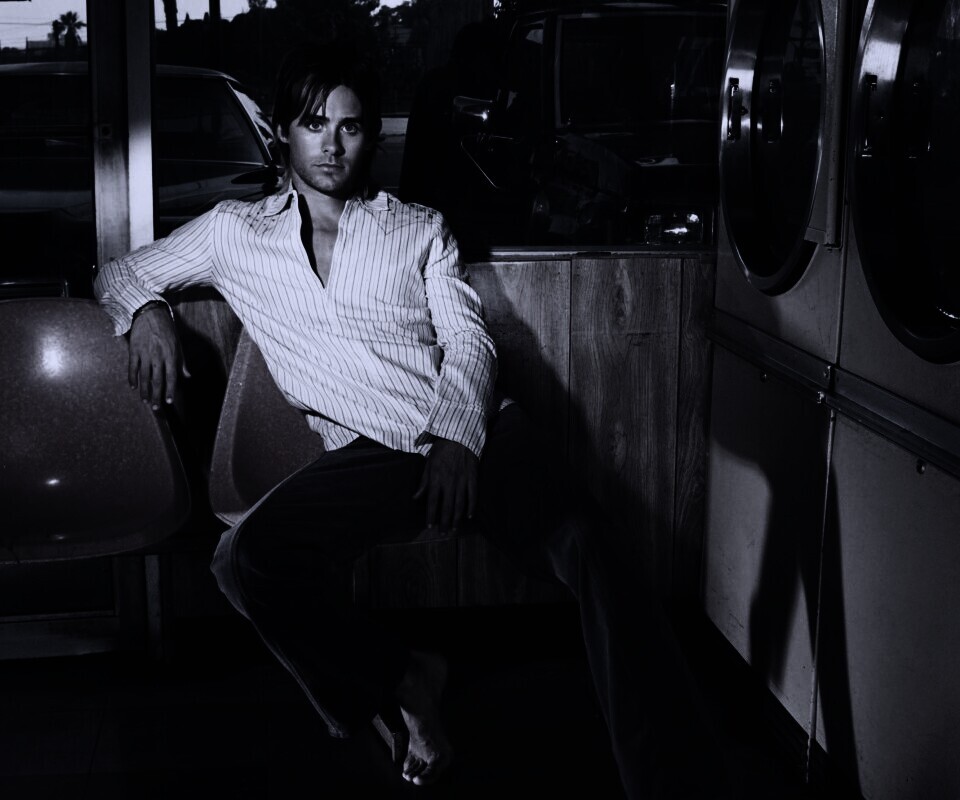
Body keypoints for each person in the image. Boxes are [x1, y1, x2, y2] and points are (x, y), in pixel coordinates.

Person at [95, 41, 729, 798]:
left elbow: (469, 339)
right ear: (283, 133)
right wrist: (148, 313)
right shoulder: (235, 232)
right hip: (369, 455)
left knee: (597, 551)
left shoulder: (419, 227)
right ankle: (405, 683)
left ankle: (674, 783)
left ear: (373, 135)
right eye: (314, 124)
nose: (332, 144)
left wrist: (459, 439)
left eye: (351, 126)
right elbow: (122, 270)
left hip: (479, 432)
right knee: (246, 558)